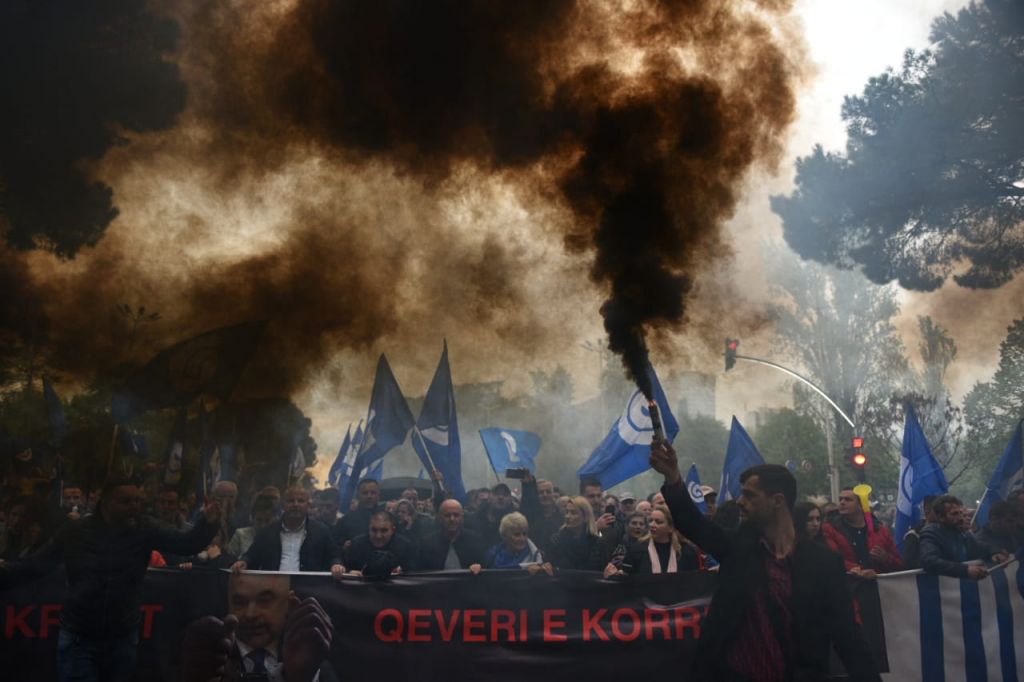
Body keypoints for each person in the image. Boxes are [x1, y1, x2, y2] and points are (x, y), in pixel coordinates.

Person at [649, 440, 881, 682]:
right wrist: (673, 477)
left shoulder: (823, 563)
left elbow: (848, 637)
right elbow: (693, 524)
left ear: (777, 501)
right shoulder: (738, 548)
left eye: (750, 495)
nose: (740, 502)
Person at [2, 477, 222, 682]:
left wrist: (208, 523)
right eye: (126, 501)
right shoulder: (75, 531)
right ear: (105, 502)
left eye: (138, 500)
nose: (134, 506)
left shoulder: (144, 529)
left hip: (122, 636)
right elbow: (38, 565)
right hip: (79, 636)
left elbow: (186, 544)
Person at [181, 572, 337, 682]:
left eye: (264, 601)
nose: (250, 614)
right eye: (239, 602)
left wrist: (300, 679)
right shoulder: (204, 657)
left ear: (289, 604)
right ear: (227, 603)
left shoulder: (314, 663)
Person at [232, 487, 344, 578]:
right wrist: (243, 562)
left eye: (301, 501)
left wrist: (336, 565)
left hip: (309, 589)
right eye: (291, 501)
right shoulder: (268, 531)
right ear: (282, 505)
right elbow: (252, 555)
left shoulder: (321, 531)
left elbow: (333, 555)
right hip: (273, 588)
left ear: (308, 505)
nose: (295, 504)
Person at [919, 494, 1008, 580]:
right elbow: (929, 561)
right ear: (941, 517)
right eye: (955, 514)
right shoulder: (931, 534)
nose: (961, 518)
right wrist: (965, 570)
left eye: (961, 513)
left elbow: (979, 548)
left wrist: (995, 552)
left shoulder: (963, 534)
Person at [822, 489, 902, 577]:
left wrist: (886, 558)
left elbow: (899, 564)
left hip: (877, 586)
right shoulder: (830, 529)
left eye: (848, 499)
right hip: (847, 585)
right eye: (840, 499)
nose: (842, 502)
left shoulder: (881, 531)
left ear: (861, 505)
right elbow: (833, 558)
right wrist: (860, 570)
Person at [608, 505, 702, 577]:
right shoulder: (637, 549)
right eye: (651, 521)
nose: (652, 525)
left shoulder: (686, 551)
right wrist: (615, 575)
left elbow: (694, 581)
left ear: (671, 527)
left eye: (658, 522)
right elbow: (627, 578)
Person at [342, 510, 416, 577]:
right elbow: (344, 567)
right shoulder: (357, 543)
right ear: (368, 528)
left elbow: (412, 575)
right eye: (374, 530)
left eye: (384, 530)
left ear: (393, 530)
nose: (378, 536)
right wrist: (350, 572)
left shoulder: (404, 546)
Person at [417, 499, 485, 571]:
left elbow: (484, 568)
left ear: (462, 518)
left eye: (456, 515)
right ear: (440, 518)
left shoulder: (475, 541)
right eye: (447, 515)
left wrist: (478, 567)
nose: (452, 519)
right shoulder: (426, 544)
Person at [547, 495, 607, 571]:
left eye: (573, 513)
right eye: (567, 512)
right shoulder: (557, 540)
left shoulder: (596, 542)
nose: (567, 516)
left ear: (585, 517)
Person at [483, 512, 549, 572]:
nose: (522, 539)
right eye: (517, 534)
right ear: (504, 535)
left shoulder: (537, 556)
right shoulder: (492, 556)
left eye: (524, 534)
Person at [518, 473, 564, 554]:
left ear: (553, 494)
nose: (545, 495)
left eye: (548, 492)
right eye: (541, 492)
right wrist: (527, 485)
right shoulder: (530, 517)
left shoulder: (562, 517)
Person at [226, 494, 280, 559]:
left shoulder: (279, 536)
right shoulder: (240, 534)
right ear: (251, 518)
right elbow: (228, 558)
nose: (263, 525)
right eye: (259, 520)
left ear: (274, 519)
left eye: (267, 521)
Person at [332, 478, 382, 548]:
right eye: (365, 493)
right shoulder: (345, 521)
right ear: (358, 495)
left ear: (378, 495)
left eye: (373, 493)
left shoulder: (390, 519)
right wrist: (343, 547)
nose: (369, 496)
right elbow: (334, 547)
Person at [900, 495, 938, 570]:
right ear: (927, 510)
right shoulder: (914, 535)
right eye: (938, 511)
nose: (943, 514)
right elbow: (910, 564)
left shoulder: (947, 531)